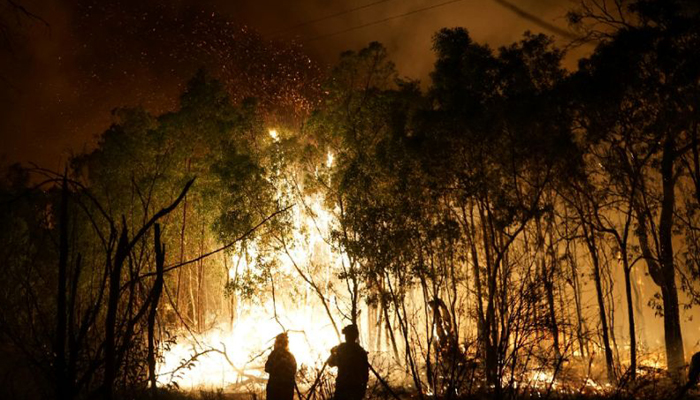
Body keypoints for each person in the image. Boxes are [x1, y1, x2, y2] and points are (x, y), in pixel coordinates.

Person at [327, 324, 369, 400]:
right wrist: (363, 388)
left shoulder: (341, 349)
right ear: (356, 336)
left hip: (343, 387)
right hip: (356, 388)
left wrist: (332, 354)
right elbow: (365, 373)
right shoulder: (360, 351)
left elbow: (331, 363)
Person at [265, 332, 297, 400]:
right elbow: (294, 371)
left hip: (275, 391)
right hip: (287, 391)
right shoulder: (291, 356)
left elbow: (267, 368)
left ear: (278, 343)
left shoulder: (274, 354)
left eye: (276, 342)